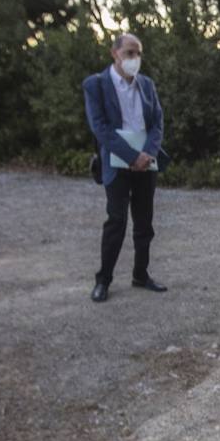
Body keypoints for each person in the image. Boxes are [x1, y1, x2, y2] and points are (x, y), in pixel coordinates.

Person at [83, 33, 167, 303]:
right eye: (129, 52)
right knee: (116, 221)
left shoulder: (146, 84)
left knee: (144, 222)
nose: (134, 58)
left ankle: (140, 274)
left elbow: (157, 122)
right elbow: (100, 128)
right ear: (115, 54)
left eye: (138, 53)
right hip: (118, 163)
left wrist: (148, 154)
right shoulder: (96, 85)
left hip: (146, 162)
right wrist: (132, 156)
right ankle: (103, 280)